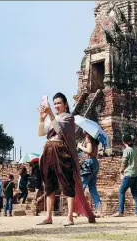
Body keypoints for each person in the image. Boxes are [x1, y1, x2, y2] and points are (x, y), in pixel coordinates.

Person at [37, 92, 95, 226]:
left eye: (59, 103)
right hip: (49, 150)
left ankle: (70, 217)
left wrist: (51, 115)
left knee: (67, 183)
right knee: (49, 184)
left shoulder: (68, 118)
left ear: (65, 105)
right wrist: (41, 119)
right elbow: (40, 133)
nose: (57, 106)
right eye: (55, 103)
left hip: (63, 152)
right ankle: (48, 216)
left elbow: (60, 132)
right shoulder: (51, 118)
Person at [112, 134, 137, 217]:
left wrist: (121, 171)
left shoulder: (127, 150)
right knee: (135, 194)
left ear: (124, 141)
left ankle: (121, 212)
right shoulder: (136, 150)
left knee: (121, 191)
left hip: (129, 174)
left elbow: (124, 162)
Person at [77, 131, 102, 217]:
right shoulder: (95, 138)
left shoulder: (88, 137)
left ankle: (78, 210)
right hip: (95, 162)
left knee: (81, 187)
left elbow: (89, 150)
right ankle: (99, 211)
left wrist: (80, 146)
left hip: (88, 163)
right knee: (92, 188)